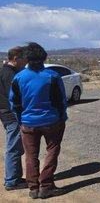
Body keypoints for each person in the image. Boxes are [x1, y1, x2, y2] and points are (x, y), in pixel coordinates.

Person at [10, 42, 68, 199]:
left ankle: (33, 188)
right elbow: (61, 100)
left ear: (27, 58)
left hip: (28, 123)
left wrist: (20, 119)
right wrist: (63, 117)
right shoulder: (53, 76)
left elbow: (14, 102)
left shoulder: (19, 77)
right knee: (52, 150)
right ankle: (46, 185)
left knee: (30, 155)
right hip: (52, 122)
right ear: (44, 58)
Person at [0, 46, 27, 191]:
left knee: (16, 147)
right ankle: (11, 181)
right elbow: (15, 98)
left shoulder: (5, 71)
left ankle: (16, 177)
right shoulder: (10, 74)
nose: (25, 63)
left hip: (7, 114)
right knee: (13, 148)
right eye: (24, 59)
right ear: (16, 58)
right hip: (12, 115)